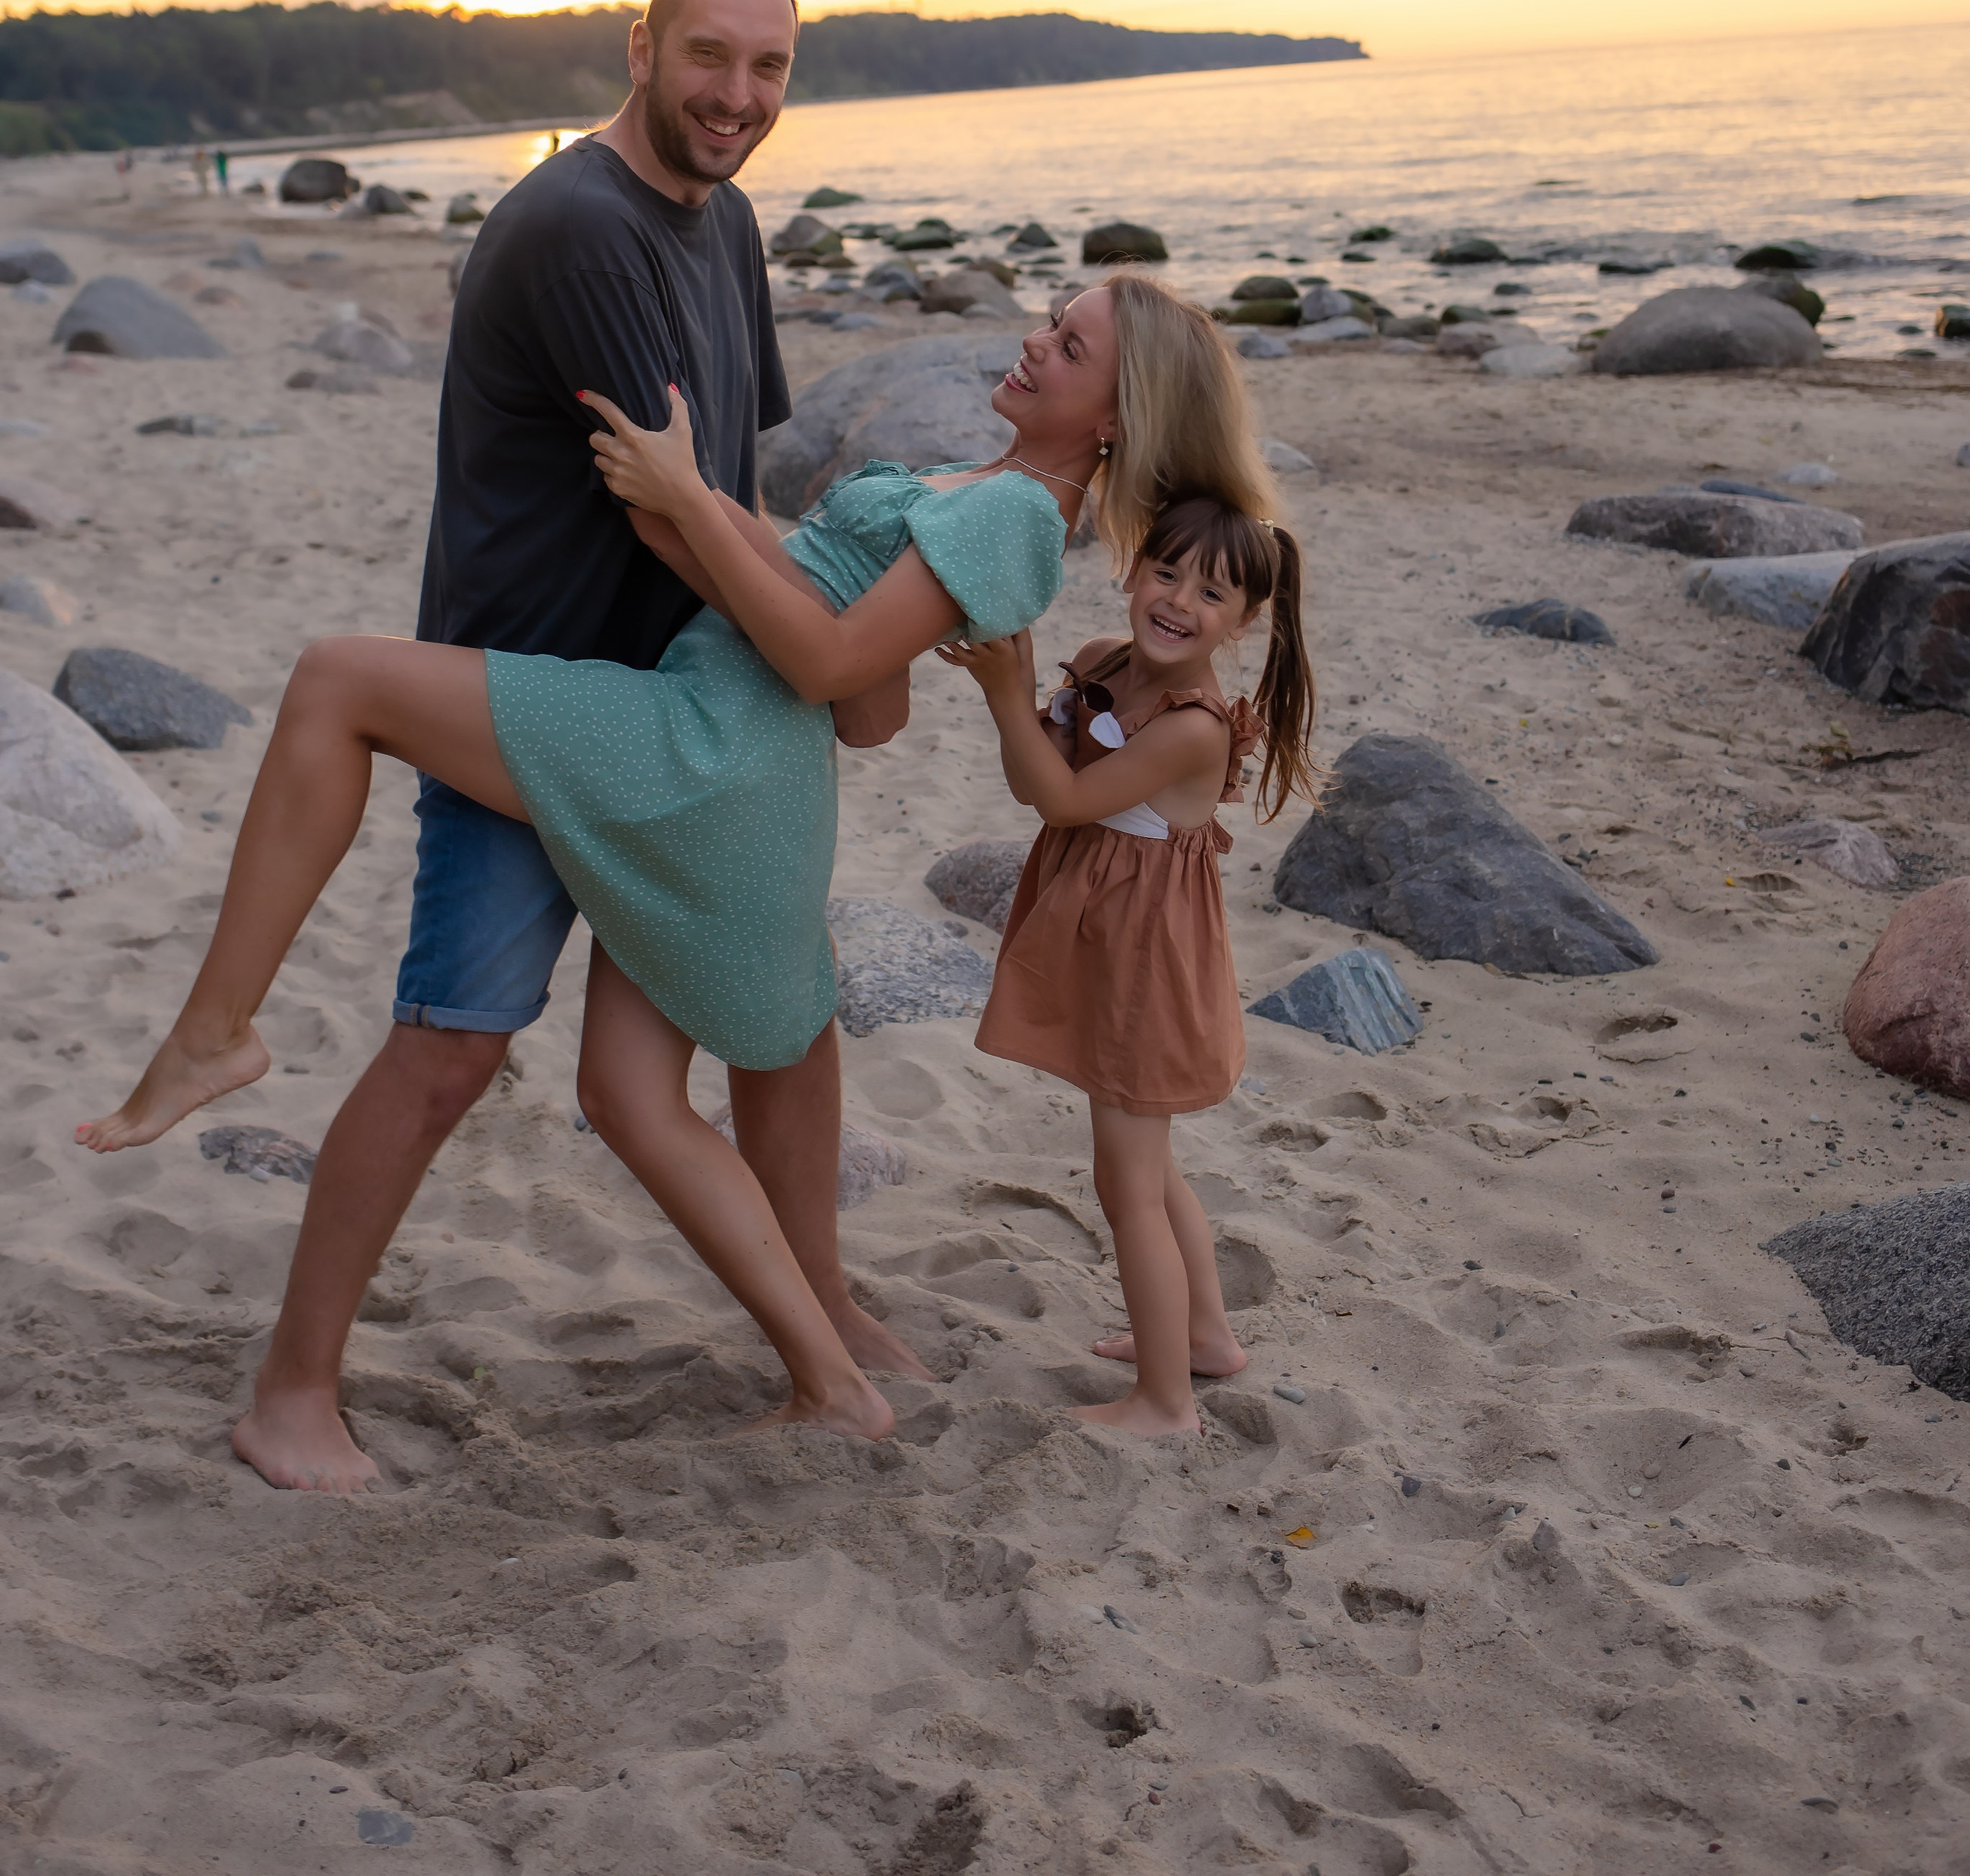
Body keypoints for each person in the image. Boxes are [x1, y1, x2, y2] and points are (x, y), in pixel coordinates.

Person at [80, 259, 1254, 1457]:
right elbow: (856, 676)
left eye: (1069, 346)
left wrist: (692, 504)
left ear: (1115, 415)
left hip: (713, 751)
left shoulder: (1014, 516)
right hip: (737, 755)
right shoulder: (996, 488)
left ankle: (217, 1030)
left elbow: (830, 665)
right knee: (628, 1094)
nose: (1035, 344)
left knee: (340, 678)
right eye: (1050, 324)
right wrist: (694, 497)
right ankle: (830, 1378)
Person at [80, 0, 910, 1492]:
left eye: (768, 67)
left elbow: (725, 483)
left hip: (685, 712)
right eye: (709, 57)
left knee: (779, 1019)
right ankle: (291, 1392)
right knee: (453, 1047)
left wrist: (811, 662)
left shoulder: (721, 224)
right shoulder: (579, 226)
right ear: (638, 45)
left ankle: (825, 1315)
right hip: (533, 704)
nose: (737, 95)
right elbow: (672, 522)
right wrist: (836, 655)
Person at [943, 489, 1315, 1438]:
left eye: (1213, 593)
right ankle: (1207, 1340)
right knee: (1151, 1171)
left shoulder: (1192, 724)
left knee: (1127, 1185)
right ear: (1130, 566)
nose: (1180, 601)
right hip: (1114, 947)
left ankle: (1165, 1404)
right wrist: (1016, 688)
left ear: (1244, 622)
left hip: (1150, 968)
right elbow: (1043, 775)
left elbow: (1061, 801)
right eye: (1167, 571)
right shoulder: (1109, 663)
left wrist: (1001, 698)